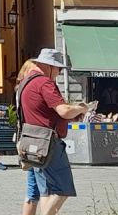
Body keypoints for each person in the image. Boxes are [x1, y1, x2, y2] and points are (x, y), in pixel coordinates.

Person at [18, 49, 87, 215]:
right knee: (62, 188)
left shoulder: (25, 83)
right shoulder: (44, 83)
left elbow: (41, 113)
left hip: (31, 141)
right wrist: (80, 108)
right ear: (49, 66)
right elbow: (63, 110)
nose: (59, 73)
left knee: (42, 191)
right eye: (59, 69)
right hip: (48, 142)